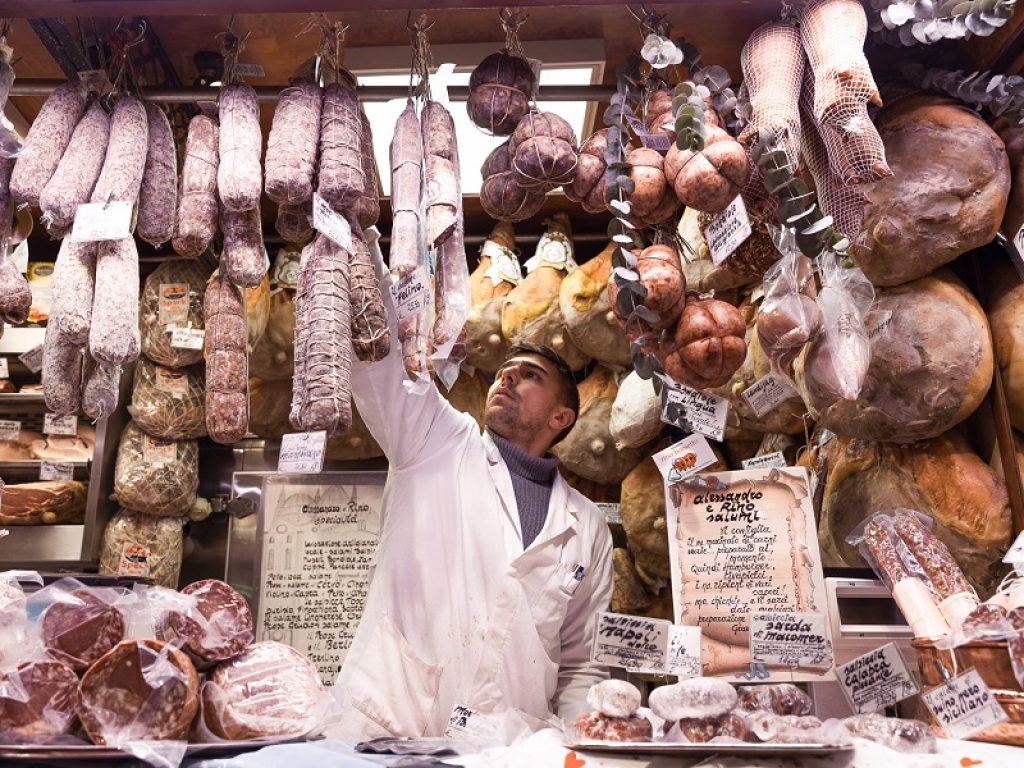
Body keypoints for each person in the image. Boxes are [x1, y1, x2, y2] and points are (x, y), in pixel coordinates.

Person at [330, 229, 613, 741]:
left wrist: (580, 746)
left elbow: (581, 664)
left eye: (528, 376)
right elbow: (383, 366)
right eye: (504, 372)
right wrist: (361, 236)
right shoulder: (434, 441)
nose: (506, 379)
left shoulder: (588, 529)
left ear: (562, 416)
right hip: (388, 728)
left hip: (508, 745)